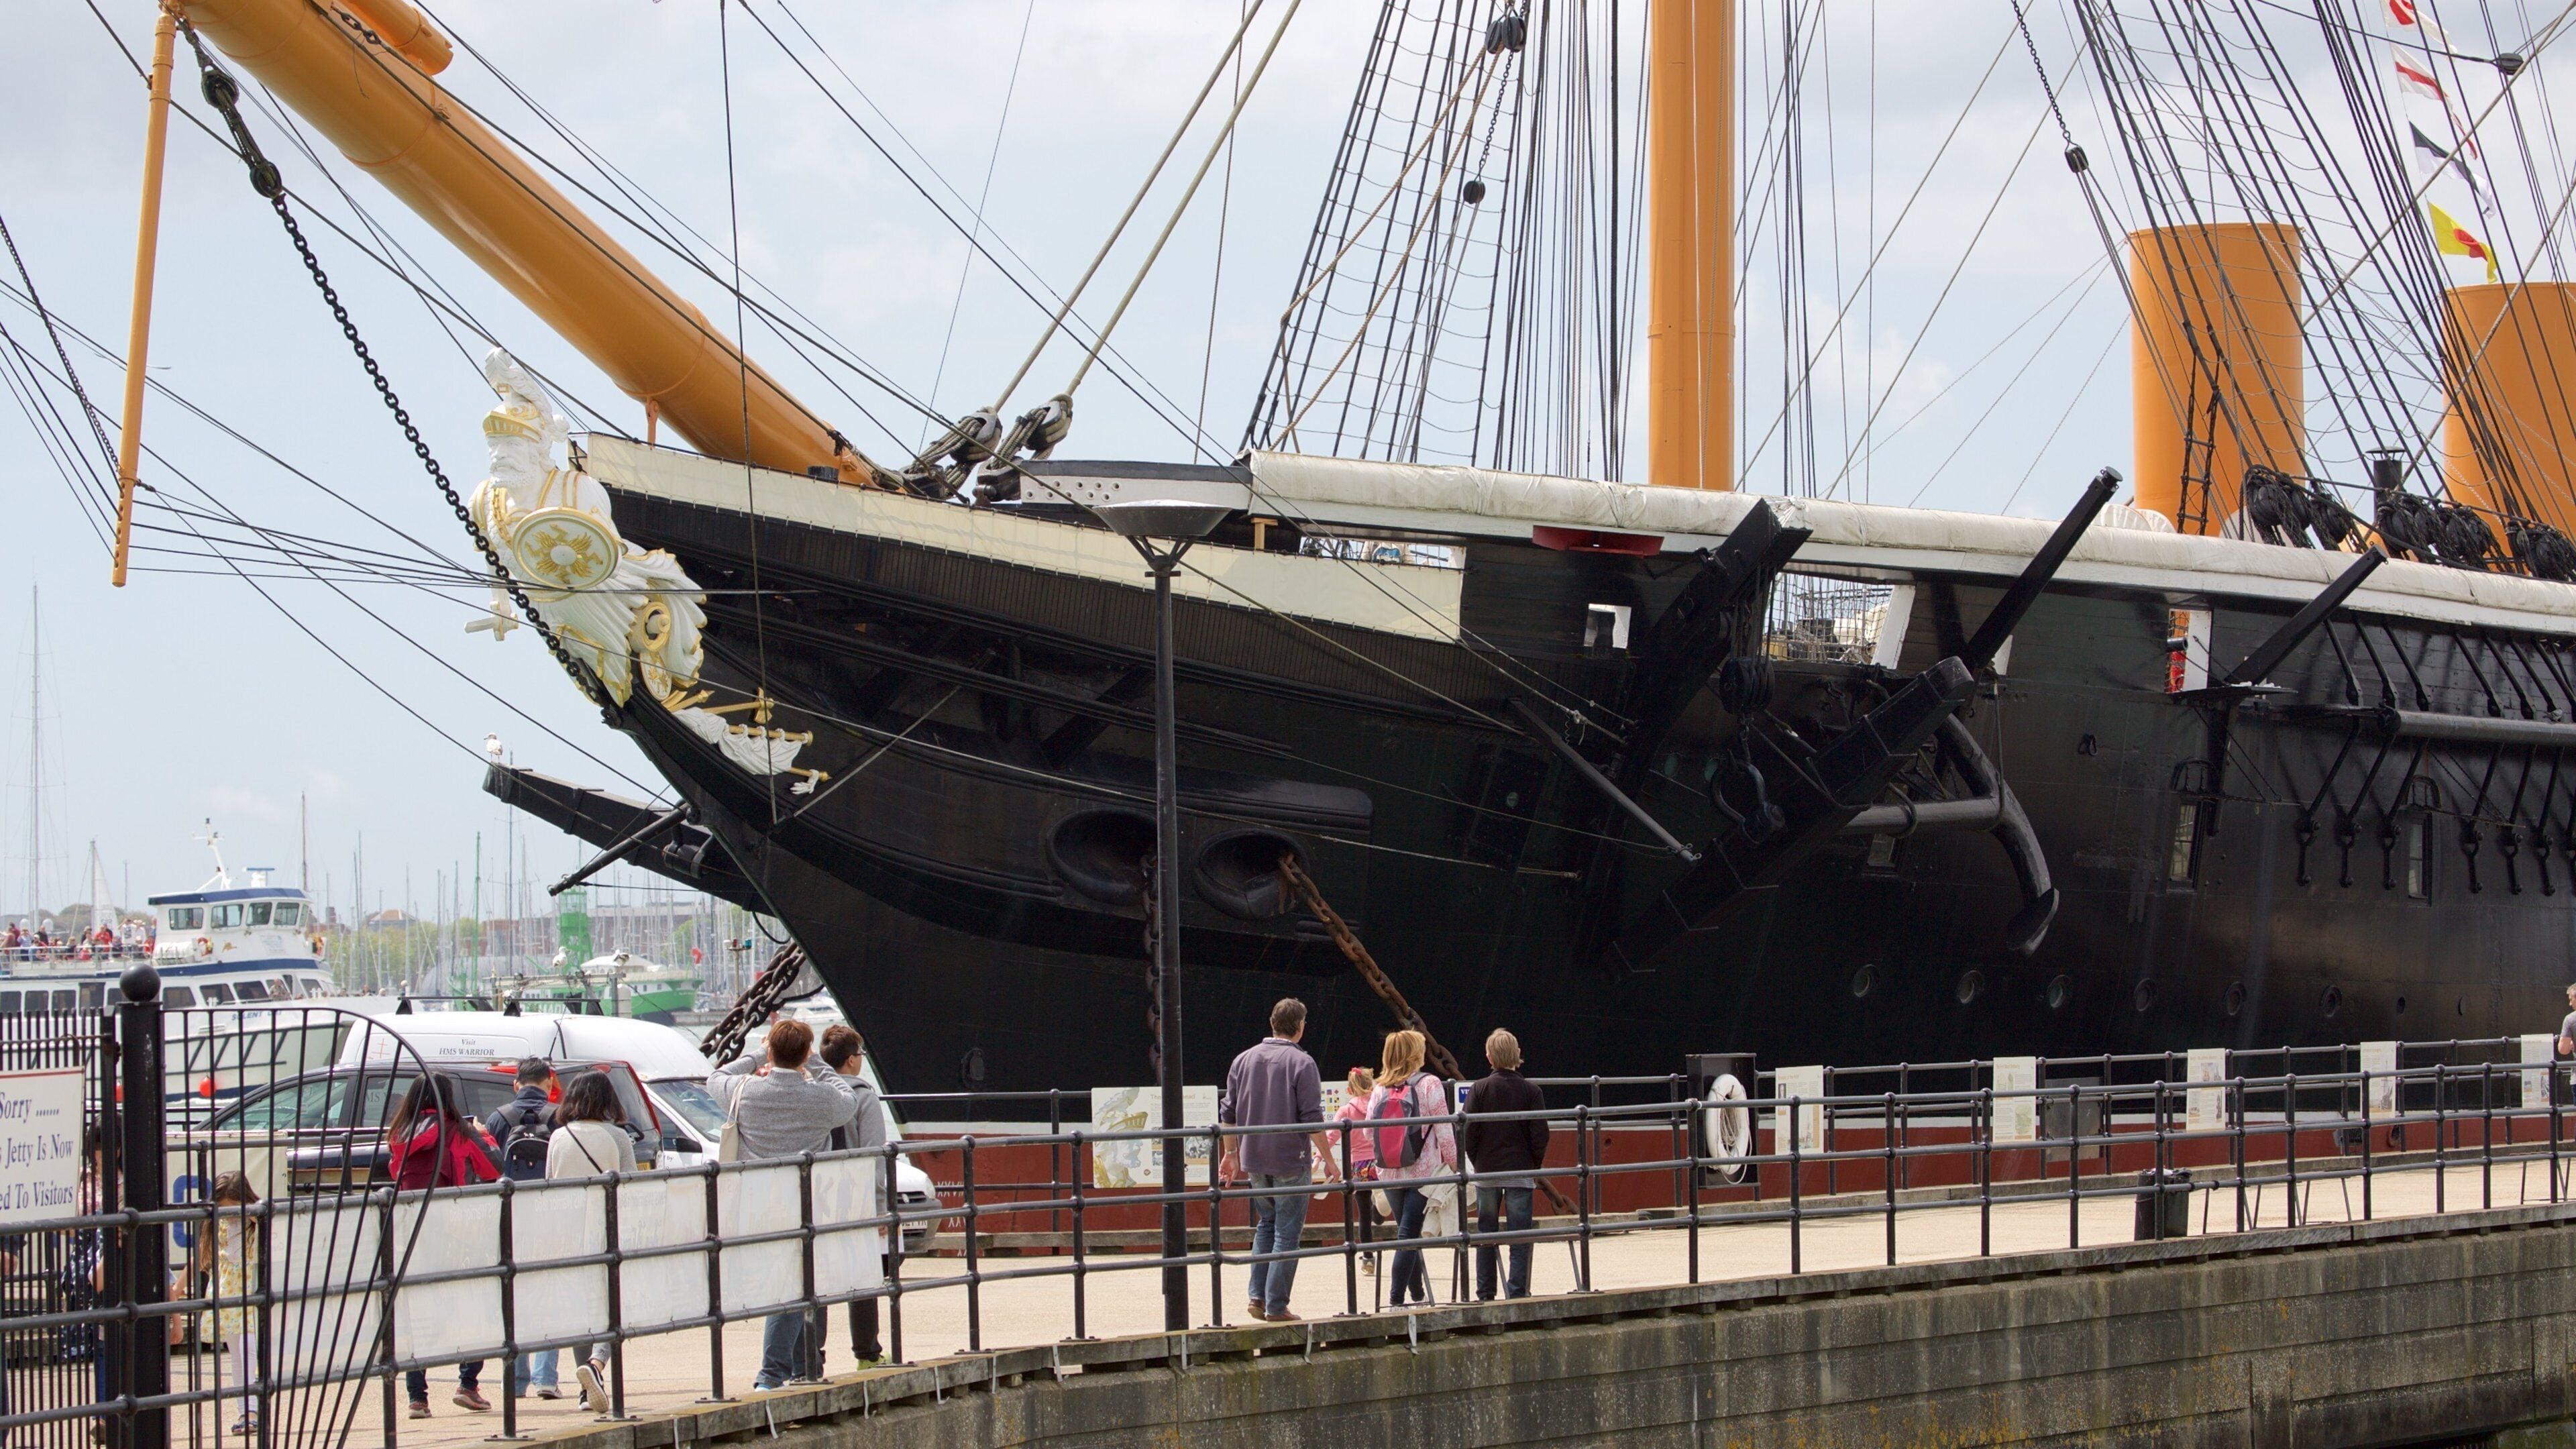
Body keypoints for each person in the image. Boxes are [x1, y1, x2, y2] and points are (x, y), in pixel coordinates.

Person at [710, 1019, 863, 1390]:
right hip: (806, 1199)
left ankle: (801, 1366)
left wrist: (760, 1053)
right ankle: (774, 1373)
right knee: (794, 1285)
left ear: (773, 1052)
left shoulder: (745, 1093)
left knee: (793, 1284)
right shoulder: (822, 1099)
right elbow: (848, 1097)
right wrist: (814, 1063)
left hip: (757, 1200)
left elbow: (716, 1077)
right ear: (806, 1053)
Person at [1217, 999, 1340, 1324]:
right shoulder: (1302, 1063)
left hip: (1253, 1157)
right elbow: (1312, 1120)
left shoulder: (1242, 1060)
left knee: (1266, 1225)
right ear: (1299, 1027)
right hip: (1290, 1158)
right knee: (1287, 1232)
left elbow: (1227, 1116)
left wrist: (1231, 1154)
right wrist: (1329, 1160)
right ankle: (1276, 1306)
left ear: (1272, 1023)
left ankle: (1256, 1297)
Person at [387, 1075, 497, 1416]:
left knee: (419, 1314)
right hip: (458, 1232)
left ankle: (417, 1397)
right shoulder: (459, 1132)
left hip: (414, 1234)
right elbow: (494, 1167)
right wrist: (482, 1133)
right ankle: (468, 1385)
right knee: (475, 1308)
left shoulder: (401, 1134)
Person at [799, 1024, 890, 1379]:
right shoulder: (863, 1096)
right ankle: (867, 1353)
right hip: (853, 1197)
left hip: (818, 1194)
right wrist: (880, 1205)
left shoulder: (814, 1091)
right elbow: (874, 1154)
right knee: (862, 1275)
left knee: (816, 1279)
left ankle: (813, 1358)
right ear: (852, 1061)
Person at [545, 1071, 634, 1415]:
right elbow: (631, 1186)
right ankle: (597, 1365)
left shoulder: (558, 1137)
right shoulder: (617, 1136)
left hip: (567, 1233)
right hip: (607, 1230)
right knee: (610, 1307)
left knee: (579, 1309)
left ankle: (587, 1389)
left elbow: (549, 1185)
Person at [486, 1058, 564, 1399]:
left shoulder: (498, 1118)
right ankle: (546, 1378)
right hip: (549, 1215)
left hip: (511, 1216)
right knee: (549, 1293)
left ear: (516, 1084)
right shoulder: (560, 1117)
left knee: (511, 1296)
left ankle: (514, 1381)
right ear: (548, 1083)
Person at [1366, 1030, 1454, 1307]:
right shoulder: (1429, 1084)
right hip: (1422, 1171)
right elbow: (1445, 1130)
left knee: (1408, 1233)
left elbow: (1369, 1132)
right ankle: (1395, 1300)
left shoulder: (1379, 1088)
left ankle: (1417, 1296)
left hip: (1390, 1172)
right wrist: (1455, 1167)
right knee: (1408, 1235)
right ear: (1415, 1054)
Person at [1459, 1028, 1548, 1301]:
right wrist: (1533, 1164)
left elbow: (1468, 1133)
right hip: (1520, 1171)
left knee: (1486, 1233)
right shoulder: (1532, 1091)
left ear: (1489, 1057)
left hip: (1487, 1171)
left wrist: (1478, 1162)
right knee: (1519, 1236)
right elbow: (1540, 1134)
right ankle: (1517, 1292)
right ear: (1518, 1054)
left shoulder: (1479, 1089)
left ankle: (1485, 1293)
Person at [188, 1172, 264, 1434]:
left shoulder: (257, 1220)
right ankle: (246, 1412)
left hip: (252, 1294)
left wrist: (253, 1213)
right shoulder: (218, 1224)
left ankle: (253, 1410)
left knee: (249, 1350)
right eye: (224, 1210)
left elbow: (274, 1233)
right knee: (237, 1356)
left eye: (235, 1209)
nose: (230, 1215)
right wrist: (179, 1286)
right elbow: (204, 1254)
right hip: (229, 1295)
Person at [1332, 1067, 1381, 1276]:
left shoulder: (1346, 1111)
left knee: (1363, 1214)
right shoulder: (1380, 1106)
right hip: (1380, 1163)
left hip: (1358, 1165)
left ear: (1350, 1089)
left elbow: (1331, 1136)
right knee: (1383, 1205)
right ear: (1372, 1084)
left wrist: (1317, 1159)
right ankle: (1380, 1212)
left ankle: (1368, 1258)